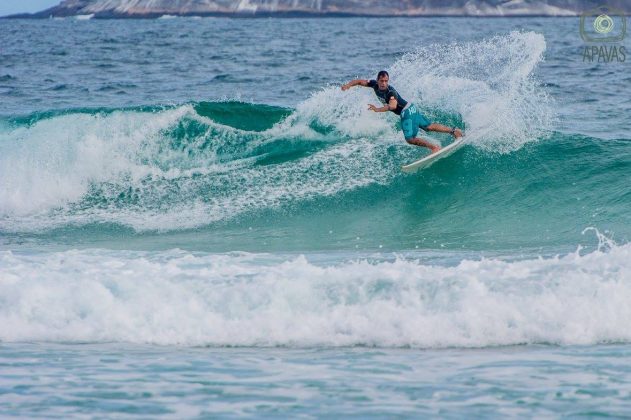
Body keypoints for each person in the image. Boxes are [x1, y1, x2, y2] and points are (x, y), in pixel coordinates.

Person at [341, 70, 463, 153]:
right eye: (382, 81)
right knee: (428, 126)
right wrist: (348, 85)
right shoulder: (373, 84)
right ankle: (454, 131)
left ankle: (434, 147)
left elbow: (393, 106)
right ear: (377, 80)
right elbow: (359, 82)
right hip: (411, 107)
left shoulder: (390, 92)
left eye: (386, 81)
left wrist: (377, 109)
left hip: (406, 111)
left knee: (410, 139)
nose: (384, 83)